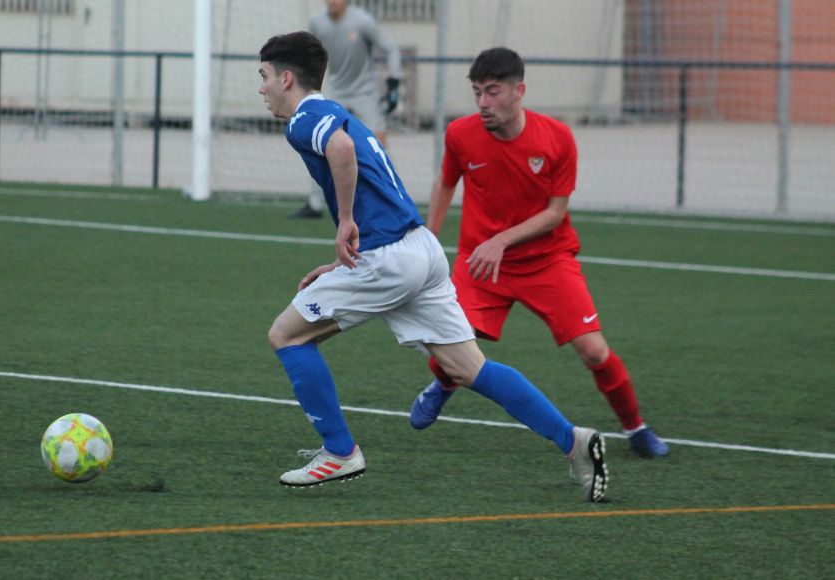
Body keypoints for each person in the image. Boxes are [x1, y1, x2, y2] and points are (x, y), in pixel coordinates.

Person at [258, 31, 609, 502]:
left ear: (286, 78)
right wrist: (342, 262)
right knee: (467, 367)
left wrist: (344, 223)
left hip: (388, 259)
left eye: (263, 77)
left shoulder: (304, 120)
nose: (261, 89)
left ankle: (339, 452)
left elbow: (340, 152)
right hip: (419, 249)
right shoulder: (336, 111)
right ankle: (575, 442)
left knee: (286, 334)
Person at [408, 47, 669, 459]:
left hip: (547, 260)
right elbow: (445, 184)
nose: (482, 103)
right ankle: (442, 386)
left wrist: (501, 240)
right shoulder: (460, 133)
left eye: (492, 92)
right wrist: (428, 239)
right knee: (452, 345)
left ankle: (636, 428)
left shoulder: (557, 137)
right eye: (477, 92)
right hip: (480, 262)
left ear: (519, 91)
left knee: (595, 351)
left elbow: (555, 213)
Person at [292, 0, 402, 219]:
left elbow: (391, 50)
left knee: (377, 145)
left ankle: (395, 199)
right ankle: (315, 204)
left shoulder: (363, 21)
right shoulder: (317, 22)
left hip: (364, 94)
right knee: (320, 144)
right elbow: (306, 55)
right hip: (336, 91)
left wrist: (393, 82)